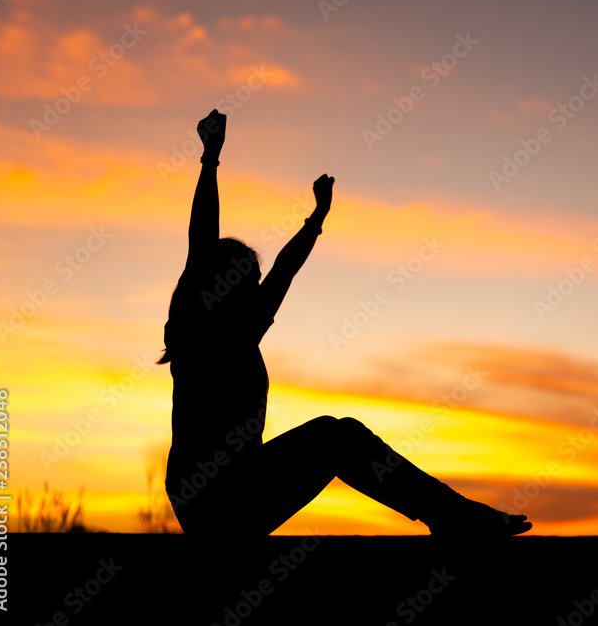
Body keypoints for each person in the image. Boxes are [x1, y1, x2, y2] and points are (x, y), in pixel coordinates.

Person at [158, 109, 532, 538]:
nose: (258, 287)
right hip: (209, 498)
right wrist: (210, 158)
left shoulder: (245, 332)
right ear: (220, 282)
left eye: (255, 280)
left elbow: (284, 270)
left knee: (341, 435)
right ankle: (458, 518)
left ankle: (453, 515)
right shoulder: (194, 326)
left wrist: (316, 220)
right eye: (247, 279)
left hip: (243, 489)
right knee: (337, 437)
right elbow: (203, 241)